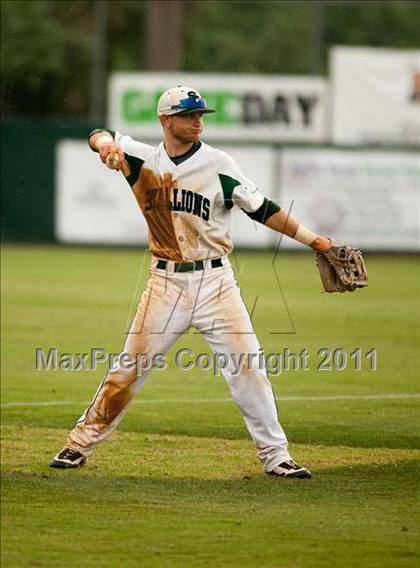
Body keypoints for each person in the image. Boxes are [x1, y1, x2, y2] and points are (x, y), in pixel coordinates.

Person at [50, 86, 331, 478]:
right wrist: (103, 147)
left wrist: (315, 241)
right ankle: (78, 444)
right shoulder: (141, 158)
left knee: (248, 367)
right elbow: (99, 133)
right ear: (166, 120)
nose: (198, 121)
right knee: (130, 367)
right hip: (164, 284)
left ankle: (276, 456)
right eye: (188, 115)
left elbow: (263, 209)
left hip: (216, 283)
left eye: (201, 115)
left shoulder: (218, 163)